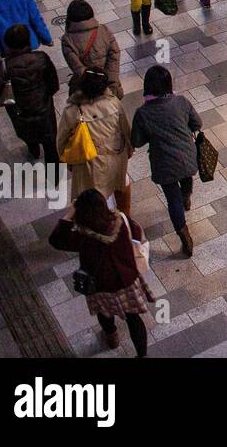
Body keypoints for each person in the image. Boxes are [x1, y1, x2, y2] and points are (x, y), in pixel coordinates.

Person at [48, 190, 151, 356]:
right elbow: (137, 234)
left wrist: (70, 212)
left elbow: (56, 240)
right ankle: (142, 355)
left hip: (100, 285)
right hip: (127, 281)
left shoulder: (83, 236)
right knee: (134, 319)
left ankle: (112, 337)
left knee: (104, 313)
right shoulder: (121, 220)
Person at [131, 65, 202, 258]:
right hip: (187, 155)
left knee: (173, 200)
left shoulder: (143, 113)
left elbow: (136, 141)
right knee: (186, 176)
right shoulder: (181, 102)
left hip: (164, 163)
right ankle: (187, 196)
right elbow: (197, 124)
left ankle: (184, 235)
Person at [57, 66, 133, 216]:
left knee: (96, 198)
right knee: (122, 184)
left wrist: (68, 162)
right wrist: (129, 149)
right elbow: (126, 129)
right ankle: (126, 217)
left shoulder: (73, 111)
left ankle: (104, 222)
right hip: (116, 156)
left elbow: (61, 141)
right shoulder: (113, 103)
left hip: (89, 163)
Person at [0, 23, 59, 164]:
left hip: (19, 112)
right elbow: (53, 84)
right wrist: (45, 96)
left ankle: (34, 152)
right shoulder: (42, 58)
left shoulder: (3, 66)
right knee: (50, 145)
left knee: (28, 136)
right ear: (28, 40)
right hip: (44, 109)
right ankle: (54, 178)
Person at [60, 0, 123, 99]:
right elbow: (114, 55)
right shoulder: (104, 30)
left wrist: (91, 84)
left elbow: (77, 67)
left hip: (84, 90)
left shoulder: (67, 40)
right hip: (107, 85)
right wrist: (111, 80)